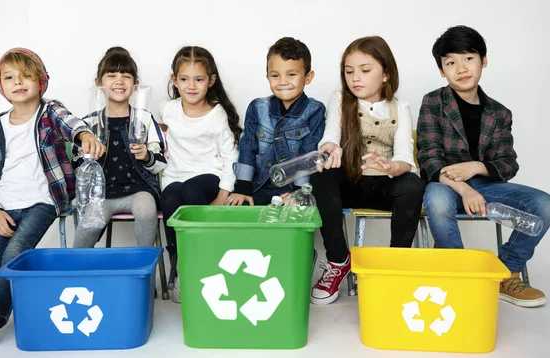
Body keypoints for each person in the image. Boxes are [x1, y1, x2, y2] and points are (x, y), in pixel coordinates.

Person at [0, 47, 105, 347]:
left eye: (27, 76)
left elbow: (72, 124)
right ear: (1, 86)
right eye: (9, 77)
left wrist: (85, 136)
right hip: (4, 206)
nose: (19, 82)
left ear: (42, 81)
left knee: (14, 254)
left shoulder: (50, 113)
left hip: (43, 202)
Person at [417, 25, 549, 307]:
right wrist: (464, 189)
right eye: (450, 62)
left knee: (545, 204)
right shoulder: (433, 102)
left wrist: (476, 167)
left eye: (468, 58)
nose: (460, 68)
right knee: (438, 203)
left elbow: (507, 163)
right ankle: (459, 275)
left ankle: (505, 273)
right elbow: (428, 159)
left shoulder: (499, 112)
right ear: (442, 70)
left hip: (486, 186)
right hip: (444, 185)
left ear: (483, 60)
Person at [310, 36, 424, 305]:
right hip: (351, 182)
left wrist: (391, 167)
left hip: (384, 184)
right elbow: (331, 133)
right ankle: (338, 260)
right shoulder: (340, 99)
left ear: (385, 74)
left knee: (412, 185)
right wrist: (330, 148)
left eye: (365, 70)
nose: (355, 78)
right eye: (349, 72)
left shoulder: (400, 106)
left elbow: (406, 158)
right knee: (321, 176)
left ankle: (395, 263)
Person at [160, 46, 241, 303]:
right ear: (174, 80)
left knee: (190, 190)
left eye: (199, 79)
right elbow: (158, 146)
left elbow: (231, 158)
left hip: (209, 178)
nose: (191, 86)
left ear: (211, 81)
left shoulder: (218, 115)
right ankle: (183, 264)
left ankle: (204, 259)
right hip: (175, 176)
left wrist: (222, 195)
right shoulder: (167, 110)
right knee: (171, 196)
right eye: (184, 79)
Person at [72, 47, 166, 248]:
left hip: (138, 189)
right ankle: (76, 268)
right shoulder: (88, 124)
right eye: (111, 75)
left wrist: (146, 156)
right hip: (102, 193)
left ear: (135, 84)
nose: (119, 81)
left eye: (126, 76)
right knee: (89, 223)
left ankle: (144, 266)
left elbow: (160, 163)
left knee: (147, 210)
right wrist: (87, 158)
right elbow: (76, 165)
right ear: (99, 83)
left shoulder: (144, 119)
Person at [227, 37, 325, 206]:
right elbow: (247, 148)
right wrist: (242, 188)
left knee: (293, 216)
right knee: (240, 210)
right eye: (275, 75)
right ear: (267, 77)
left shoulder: (314, 110)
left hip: (294, 187)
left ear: (308, 77)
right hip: (258, 187)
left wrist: (298, 193)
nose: (282, 82)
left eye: (291, 74)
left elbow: (308, 155)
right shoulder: (258, 107)